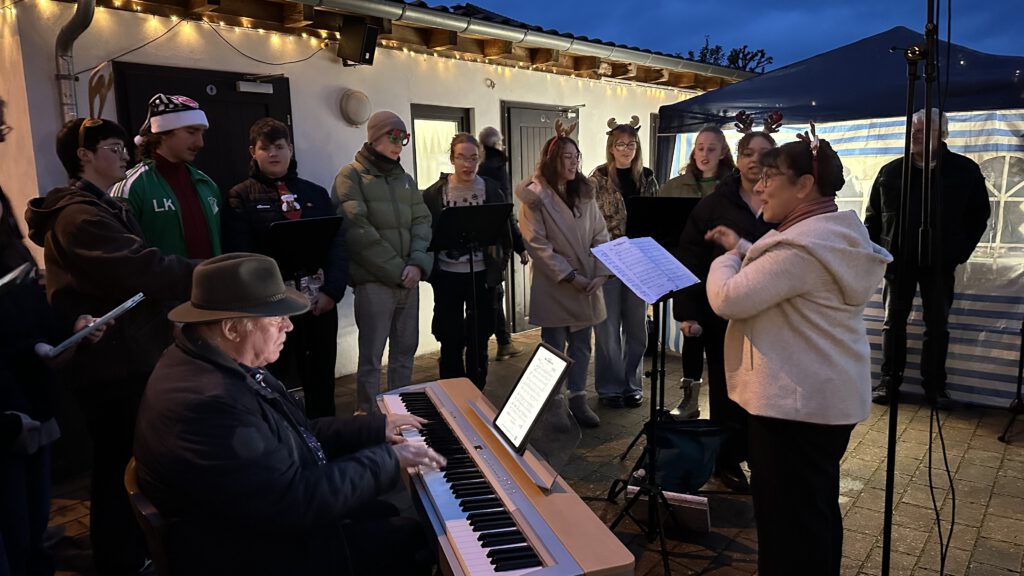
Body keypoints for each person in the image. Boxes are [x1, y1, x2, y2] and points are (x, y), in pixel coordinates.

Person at [133, 253, 444, 576]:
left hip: (255, 520)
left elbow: (300, 432)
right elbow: (295, 500)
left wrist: (374, 428)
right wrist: (389, 460)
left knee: (387, 513)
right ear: (231, 328)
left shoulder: (212, 360)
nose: (289, 326)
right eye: (274, 319)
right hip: (247, 552)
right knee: (415, 539)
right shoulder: (208, 403)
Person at [705, 131, 891, 575]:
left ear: (805, 185)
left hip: (794, 408)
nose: (761, 186)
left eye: (771, 176)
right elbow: (786, 276)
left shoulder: (802, 249)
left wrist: (725, 260)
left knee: (788, 527)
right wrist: (744, 248)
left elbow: (728, 298)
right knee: (814, 514)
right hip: (821, 401)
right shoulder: (829, 238)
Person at [25, 117, 195, 576]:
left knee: (127, 461)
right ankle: (120, 559)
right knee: (119, 466)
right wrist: (206, 273)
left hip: (128, 353)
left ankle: (130, 551)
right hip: (110, 363)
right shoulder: (79, 214)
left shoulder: (105, 206)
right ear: (84, 156)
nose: (125, 154)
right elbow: (137, 268)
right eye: (115, 147)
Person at [671, 130, 777, 492]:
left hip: (769, 312)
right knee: (726, 389)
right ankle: (726, 461)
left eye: (763, 154)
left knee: (764, 390)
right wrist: (688, 312)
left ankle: (763, 457)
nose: (754, 160)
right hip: (723, 314)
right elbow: (691, 256)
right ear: (739, 157)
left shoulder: (781, 199)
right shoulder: (716, 203)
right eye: (748, 152)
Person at [865, 108, 990, 409]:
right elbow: (873, 216)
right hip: (897, 262)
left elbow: (978, 216)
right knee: (893, 322)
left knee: (937, 325)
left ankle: (935, 386)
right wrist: (878, 252)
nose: (915, 133)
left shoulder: (964, 171)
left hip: (940, 263)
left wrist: (957, 253)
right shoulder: (891, 171)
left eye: (923, 128)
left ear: (942, 134)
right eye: (913, 128)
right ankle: (889, 381)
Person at [222, 117, 347, 418]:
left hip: (318, 303)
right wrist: (268, 303)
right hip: (272, 309)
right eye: (265, 148)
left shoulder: (315, 193)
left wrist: (332, 291)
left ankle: (325, 442)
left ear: (290, 149)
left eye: (279, 147)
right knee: (272, 383)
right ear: (253, 151)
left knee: (321, 381)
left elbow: (336, 245)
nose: (273, 154)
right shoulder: (239, 196)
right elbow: (242, 257)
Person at [333, 111, 432, 415]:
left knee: (404, 354)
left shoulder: (404, 179)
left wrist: (416, 264)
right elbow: (356, 231)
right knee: (372, 359)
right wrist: (396, 270)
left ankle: (400, 416)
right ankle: (369, 421)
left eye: (404, 138)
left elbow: (422, 221)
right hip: (375, 282)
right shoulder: (349, 176)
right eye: (394, 136)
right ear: (374, 136)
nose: (399, 144)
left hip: (408, 280)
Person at [516, 128, 610, 428]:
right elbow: (537, 244)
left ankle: (578, 398)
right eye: (567, 157)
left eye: (576, 157)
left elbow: (600, 233)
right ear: (552, 159)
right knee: (553, 346)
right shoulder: (535, 196)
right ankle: (552, 402)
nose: (573, 164)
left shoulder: (584, 192)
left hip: (587, 280)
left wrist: (600, 272)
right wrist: (570, 277)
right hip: (556, 283)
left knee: (582, 344)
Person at [423, 133, 516, 390]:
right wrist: (431, 273)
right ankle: (452, 394)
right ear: (452, 158)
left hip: (482, 275)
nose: (467, 164)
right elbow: (425, 234)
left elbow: (504, 231)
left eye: (473, 158)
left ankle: (476, 392)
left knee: (480, 338)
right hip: (448, 277)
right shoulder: (434, 194)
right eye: (462, 157)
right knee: (450, 339)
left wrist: (501, 264)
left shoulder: (491, 189)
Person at [588, 116, 659, 408]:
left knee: (636, 329)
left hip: (639, 261)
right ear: (611, 147)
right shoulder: (597, 179)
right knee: (607, 330)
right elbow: (589, 222)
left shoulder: (647, 177)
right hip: (607, 261)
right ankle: (609, 388)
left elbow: (656, 218)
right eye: (620, 144)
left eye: (631, 144)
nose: (626, 149)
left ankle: (631, 384)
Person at [111, 93, 221, 259]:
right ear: (162, 132)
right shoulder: (131, 186)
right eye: (191, 132)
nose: (200, 143)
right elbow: (121, 255)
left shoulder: (206, 184)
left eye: (202, 133)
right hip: (160, 285)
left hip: (209, 282)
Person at [477, 126, 529, 361]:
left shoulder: (480, 166)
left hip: (479, 241)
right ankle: (504, 342)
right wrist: (519, 244)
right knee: (494, 292)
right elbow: (505, 210)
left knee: (486, 293)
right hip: (495, 242)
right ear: (497, 144)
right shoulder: (497, 169)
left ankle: (497, 341)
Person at [660, 125, 736, 199]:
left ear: (722, 153)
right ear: (694, 153)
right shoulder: (672, 187)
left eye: (711, 149)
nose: (704, 154)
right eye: (700, 148)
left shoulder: (736, 187)